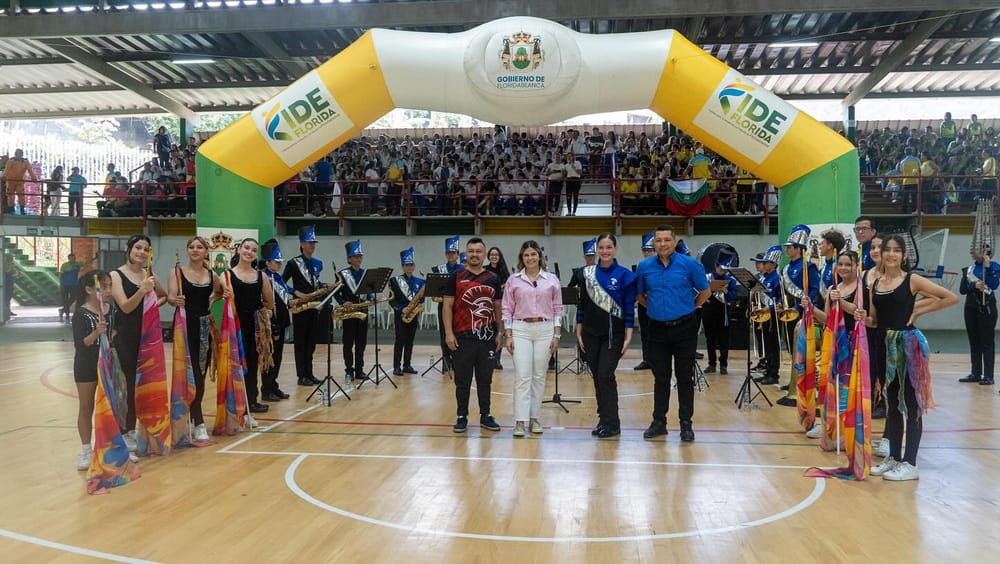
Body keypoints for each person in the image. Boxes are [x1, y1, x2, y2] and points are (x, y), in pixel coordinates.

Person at [857, 234, 958, 481]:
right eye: (887, 250)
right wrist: (862, 317)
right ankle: (893, 457)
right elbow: (874, 319)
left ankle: (910, 462)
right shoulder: (876, 283)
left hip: (908, 345)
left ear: (904, 255)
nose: (891, 254)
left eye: (896, 250)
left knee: (911, 405)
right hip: (883, 345)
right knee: (892, 402)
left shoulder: (912, 280)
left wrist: (918, 310)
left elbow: (949, 297)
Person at [636, 225, 711, 442]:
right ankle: (659, 422)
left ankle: (686, 424)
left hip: (685, 327)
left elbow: (705, 291)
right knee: (660, 377)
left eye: (666, 240)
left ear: (674, 241)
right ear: (654, 243)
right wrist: (654, 308)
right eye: (658, 241)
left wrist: (691, 307)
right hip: (657, 328)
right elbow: (640, 295)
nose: (662, 244)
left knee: (685, 378)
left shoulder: (690, 265)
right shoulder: (644, 267)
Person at [109, 235, 167, 452]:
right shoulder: (116, 275)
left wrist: (151, 307)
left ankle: (133, 431)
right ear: (128, 249)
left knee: (142, 385)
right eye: (138, 248)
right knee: (125, 386)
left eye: (146, 249)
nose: (141, 252)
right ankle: (122, 432)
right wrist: (143, 291)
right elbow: (124, 306)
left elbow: (163, 296)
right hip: (124, 337)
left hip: (146, 337)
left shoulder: (148, 275)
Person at [166, 236, 227, 440]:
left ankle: (197, 417)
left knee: (201, 371)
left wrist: (214, 299)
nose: (194, 250)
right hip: (184, 326)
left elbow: (221, 292)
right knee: (187, 372)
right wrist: (175, 300)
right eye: (191, 247)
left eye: (199, 247)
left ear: (206, 251)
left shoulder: (211, 275)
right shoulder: (176, 272)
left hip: (204, 326)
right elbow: (170, 298)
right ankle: (192, 418)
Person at [576, 233, 636, 438]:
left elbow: (628, 306)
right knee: (597, 377)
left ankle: (613, 422)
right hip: (590, 333)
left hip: (614, 334)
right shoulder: (587, 273)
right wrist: (579, 327)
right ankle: (603, 419)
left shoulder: (625, 275)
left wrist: (629, 334)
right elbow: (582, 302)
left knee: (605, 375)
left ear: (615, 249)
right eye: (601, 248)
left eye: (609, 247)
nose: (605, 251)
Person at [503, 240, 563, 437]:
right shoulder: (513, 280)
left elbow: (557, 309)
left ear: (540, 256)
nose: (530, 258)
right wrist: (508, 335)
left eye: (533, 254)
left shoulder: (552, 279)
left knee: (538, 377)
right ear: (522, 258)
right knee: (522, 376)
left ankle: (535, 418)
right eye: (526, 255)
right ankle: (520, 421)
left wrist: (556, 334)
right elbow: (507, 308)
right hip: (520, 328)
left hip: (545, 329)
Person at [443, 237, 503, 433]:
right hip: (462, 337)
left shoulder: (493, 277)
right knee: (463, 379)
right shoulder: (456, 276)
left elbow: (497, 307)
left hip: (487, 338)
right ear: (466, 254)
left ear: (484, 254)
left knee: (485, 379)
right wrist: (449, 334)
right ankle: (462, 416)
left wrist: (500, 331)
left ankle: (485, 415)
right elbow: (448, 306)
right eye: (471, 251)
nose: (475, 254)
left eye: (478, 251)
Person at [776, 224, 821, 408]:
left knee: (801, 349)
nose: (787, 249)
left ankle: (802, 382)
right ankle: (794, 380)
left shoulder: (808, 266)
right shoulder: (787, 268)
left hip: (802, 312)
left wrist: (803, 307)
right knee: (790, 347)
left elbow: (814, 290)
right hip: (789, 311)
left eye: (789, 247)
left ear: (798, 249)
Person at [228, 238, 275, 413]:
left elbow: (269, 302)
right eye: (246, 248)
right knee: (235, 364)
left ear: (256, 255)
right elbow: (216, 295)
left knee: (252, 363)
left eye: (253, 250)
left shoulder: (261, 276)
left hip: (255, 328)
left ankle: (251, 400)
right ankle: (234, 402)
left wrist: (262, 316)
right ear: (239, 249)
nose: (249, 252)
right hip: (235, 325)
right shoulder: (227, 275)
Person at [72, 270, 111, 470]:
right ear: (89, 289)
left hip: (107, 363)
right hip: (86, 365)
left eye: (109, 286)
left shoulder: (110, 309)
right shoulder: (81, 313)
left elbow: (115, 335)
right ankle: (86, 450)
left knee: (111, 407)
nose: (107, 291)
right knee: (86, 407)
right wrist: (97, 332)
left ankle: (111, 447)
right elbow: (81, 344)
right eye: (103, 287)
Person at [282, 225, 325, 387]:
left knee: (311, 342)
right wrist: (295, 292)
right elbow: (281, 282)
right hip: (300, 307)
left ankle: (310, 373)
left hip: (313, 306)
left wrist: (324, 286)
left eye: (314, 242)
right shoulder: (293, 263)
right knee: (300, 342)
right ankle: (301, 375)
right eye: (309, 242)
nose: (312, 245)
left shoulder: (317, 263)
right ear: (301, 244)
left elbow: (314, 283)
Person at [958, 245, 999, 385]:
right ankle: (975, 373)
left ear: (984, 252)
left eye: (976, 248)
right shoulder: (968, 270)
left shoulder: (994, 266)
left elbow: (994, 285)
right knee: (974, 341)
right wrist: (973, 286)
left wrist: (987, 268)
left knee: (986, 343)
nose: (972, 251)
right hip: (970, 308)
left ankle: (989, 376)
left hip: (986, 307)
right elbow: (962, 290)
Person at [260, 239, 293, 401]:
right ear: (267, 262)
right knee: (270, 357)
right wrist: (274, 327)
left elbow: (283, 296)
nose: (279, 264)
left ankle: (273, 385)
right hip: (272, 325)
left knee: (278, 357)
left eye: (280, 262)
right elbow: (269, 304)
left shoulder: (277, 277)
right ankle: (266, 389)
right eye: (276, 262)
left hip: (282, 321)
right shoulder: (265, 277)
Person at [333, 239, 370, 382]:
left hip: (363, 311)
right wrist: (343, 302)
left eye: (360, 256)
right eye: (355, 257)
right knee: (348, 343)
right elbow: (336, 293)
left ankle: (360, 370)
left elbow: (370, 291)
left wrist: (371, 297)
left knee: (361, 343)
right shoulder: (342, 275)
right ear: (349, 259)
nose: (358, 259)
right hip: (349, 313)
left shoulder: (366, 273)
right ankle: (349, 370)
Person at [861, 232, 888, 422]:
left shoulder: (893, 276)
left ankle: (883, 403)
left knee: (884, 367)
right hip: (867, 329)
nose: (875, 251)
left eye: (880, 247)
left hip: (886, 329)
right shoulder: (864, 274)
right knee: (869, 367)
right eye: (872, 247)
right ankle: (869, 400)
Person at [389, 247, 425, 376]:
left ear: (414, 266)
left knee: (410, 340)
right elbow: (391, 300)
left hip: (413, 315)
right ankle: (396, 366)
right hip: (401, 315)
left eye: (411, 265)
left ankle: (407, 365)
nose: (409, 267)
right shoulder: (394, 281)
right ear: (402, 266)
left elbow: (422, 298)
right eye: (407, 265)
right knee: (400, 340)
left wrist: (417, 306)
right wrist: (401, 308)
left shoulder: (420, 281)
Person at [702, 253, 739, 375]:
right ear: (715, 266)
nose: (722, 271)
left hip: (723, 313)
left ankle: (724, 364)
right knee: (710, 339)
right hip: (709, 311)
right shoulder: (707, 278)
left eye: (725, 269)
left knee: (724, 340)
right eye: (721, 268)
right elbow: (700, 293)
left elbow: (733, 297)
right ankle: (711, 364)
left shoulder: (731, 280)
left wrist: (726, 292)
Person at [751, 246, 783, 385]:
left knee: (773, 345)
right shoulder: (764, 278)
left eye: (767, 262)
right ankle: (767, 370)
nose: (764, 264)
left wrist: (768, 308)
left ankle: (774, 373)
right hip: (763, 315)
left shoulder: (777, 278)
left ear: (773, 264)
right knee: (766, 344)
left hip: (772, 316)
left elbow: (781, 301)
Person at [432, 236, 464, 374]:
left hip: (459, 307)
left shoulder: (463, 269)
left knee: (458, 332)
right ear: (446, 255)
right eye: (448, 253)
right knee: (445, 333)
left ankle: (457, 360)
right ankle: (446, 361)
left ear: (457, 254)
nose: (451, 255)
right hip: (444, 306)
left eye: (453, 253)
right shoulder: (438, 269)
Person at [485, 245, 511, 369]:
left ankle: (497, 359)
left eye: (496, 255)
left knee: (499, 332)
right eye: (492, 255)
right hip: (487, 306)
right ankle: (488, 357)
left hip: (501, 306)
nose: (494, 256)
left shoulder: (505, 272)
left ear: (499, 257)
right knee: (489, 332)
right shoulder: (484, 270)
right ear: (488, 257)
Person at [634, 231, 656, 370]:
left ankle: (657, 360)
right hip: (644, 304)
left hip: (657, 304)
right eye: (645, 251)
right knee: (645, 332)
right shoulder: (641, 266)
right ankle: (646, 359)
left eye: (649, 250)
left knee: (657, 333)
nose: (647, 253)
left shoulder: (660, 265)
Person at [3, 148, 39, 214]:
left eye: (20, 154)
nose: (18, 156)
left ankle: (22, 210)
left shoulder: (25, 162)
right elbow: (6, 170)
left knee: (21, 195)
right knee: (10, 195)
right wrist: (4, 177)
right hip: (10, 181)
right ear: (15, 154)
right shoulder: (11, 161)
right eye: (17, 154)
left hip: (20, 181)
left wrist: (34, 178)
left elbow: (30, 170)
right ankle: (11, 209)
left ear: (22, 155)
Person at [59, 253, 93, 322]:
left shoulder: (77, 264)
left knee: (73, 298)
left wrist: (95, 258)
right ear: (68, 259)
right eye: (71, 258)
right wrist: (61, 284)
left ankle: (63, 310)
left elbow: (87, 262)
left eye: (74, 258)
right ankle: (67, 316)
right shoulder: (64, 265)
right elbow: (61, 275)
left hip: (74, 285)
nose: (72, 259)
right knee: (65, 300)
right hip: (65, 285)